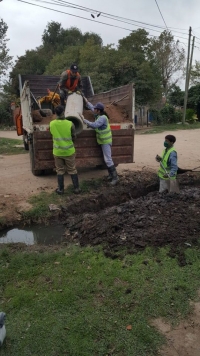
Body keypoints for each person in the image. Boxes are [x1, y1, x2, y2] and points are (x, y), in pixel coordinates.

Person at [82, 100, 119, 186]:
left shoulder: (102, 118)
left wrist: (84, 120)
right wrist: (86, 101)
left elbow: (94, 125)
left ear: (98, 110)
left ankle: (115, 177)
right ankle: (111, 175)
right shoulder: (99, 114)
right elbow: (91, 107)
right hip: (103, 141)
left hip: (105, 141)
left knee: (108, 159)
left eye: (95, 109)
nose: (93, 109)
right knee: (106, 159)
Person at [49, 105, 81, 195]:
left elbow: (52, 134)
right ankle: (76, 189)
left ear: (55, 113)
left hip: (57, 152)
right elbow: (74, 136)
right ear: (63, 112)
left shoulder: (52, 124)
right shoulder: (70, 123)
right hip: (69, 151)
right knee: (72, 170)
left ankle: (61, 190)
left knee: (60, 170)